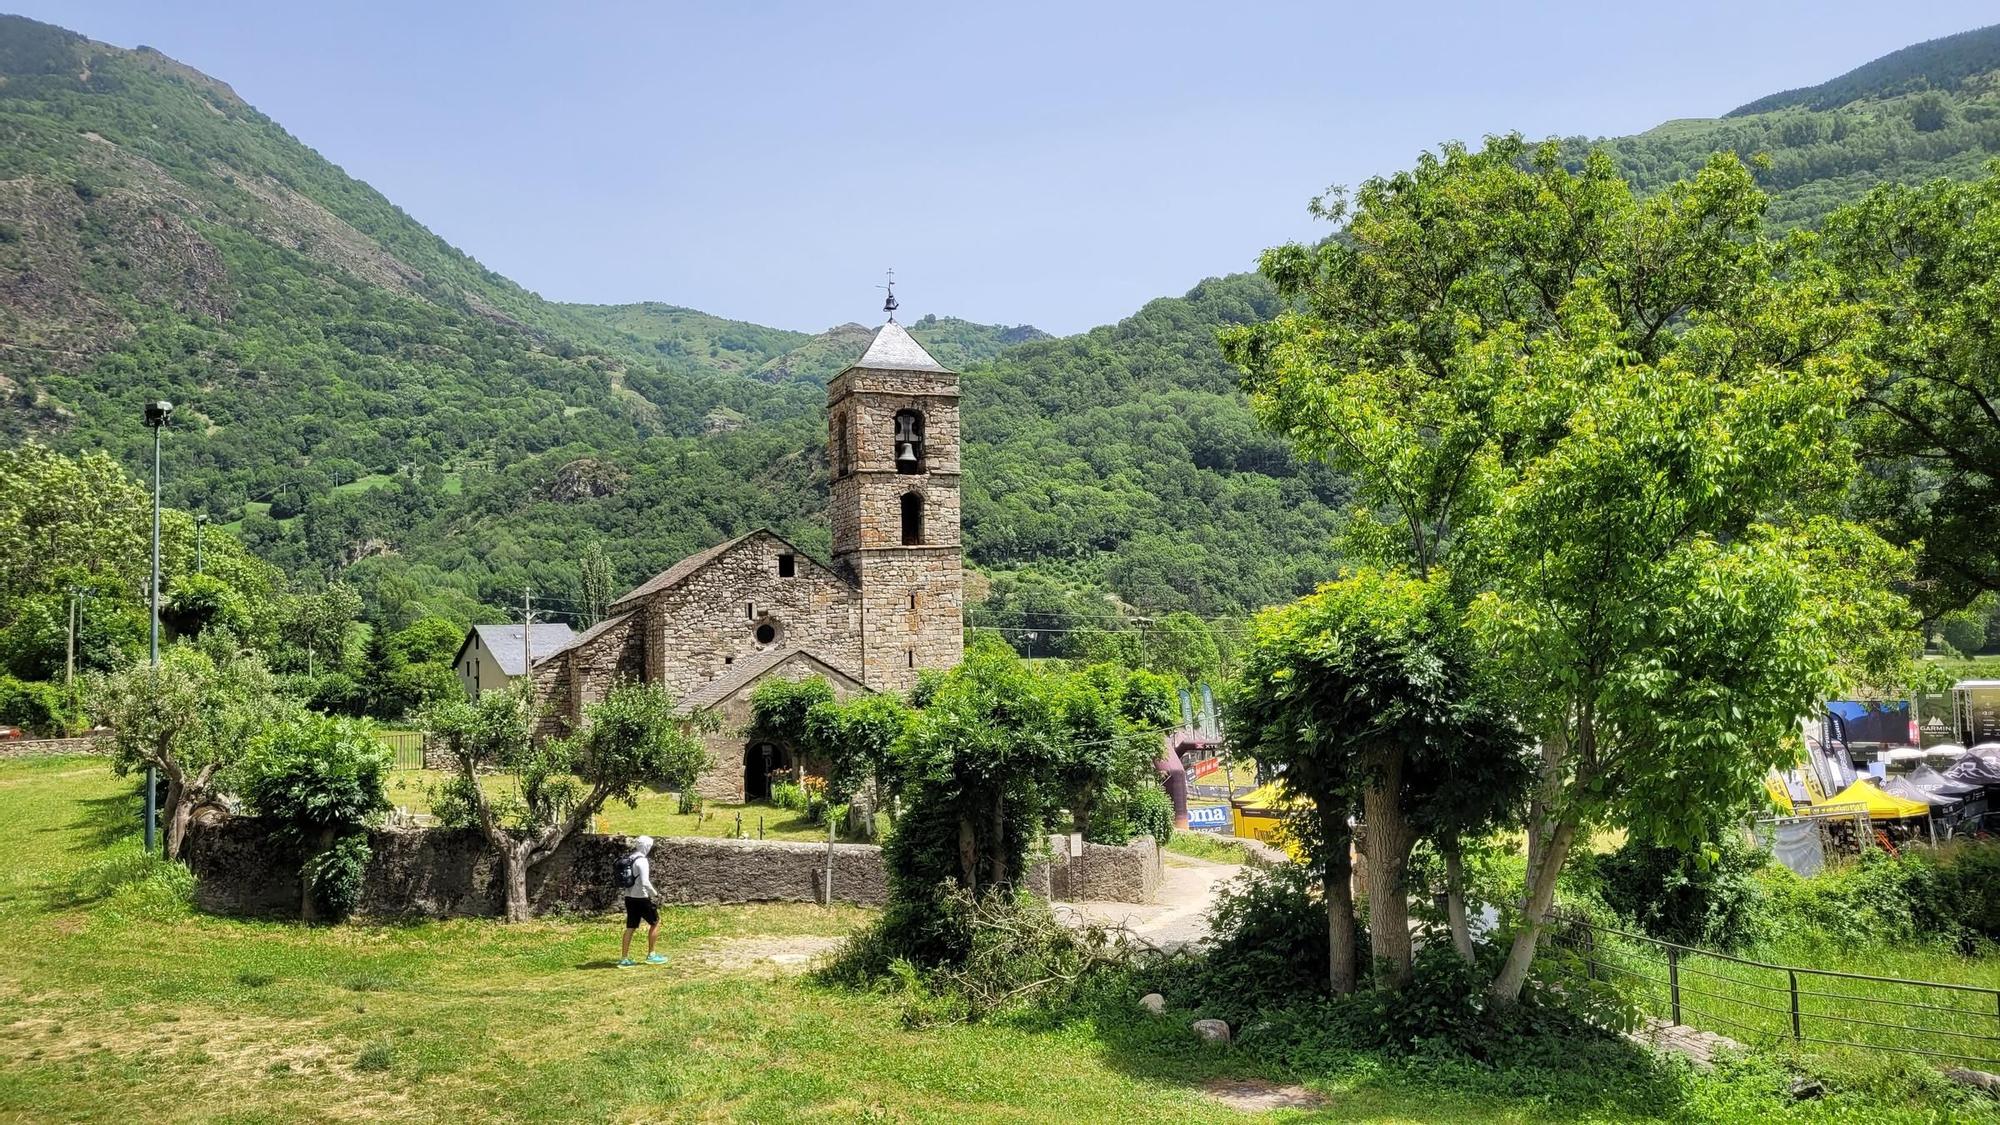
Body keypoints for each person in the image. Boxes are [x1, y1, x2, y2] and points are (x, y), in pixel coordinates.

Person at [618, 835, 665, 967]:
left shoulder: (630, 858)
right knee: (655, 922)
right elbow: (645, 882)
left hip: (629, 897)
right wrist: (655, 893)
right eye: (649, 846)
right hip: (641, 897)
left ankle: (624, 958)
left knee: (630, 927)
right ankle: (651, 954)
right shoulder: (643, 861)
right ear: (646, 846)